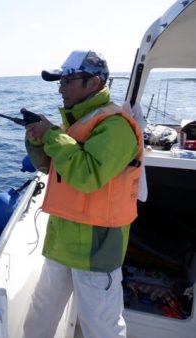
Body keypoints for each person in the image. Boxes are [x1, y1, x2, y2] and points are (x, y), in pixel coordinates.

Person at [22, 50, 143, 338]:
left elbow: (88, 175)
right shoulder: (75, 123)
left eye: (68, 81)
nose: (61, 88)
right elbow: (54, 169)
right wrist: (37, 142)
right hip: (61, 241)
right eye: (59, 82)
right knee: (40, 316)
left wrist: (51, 135)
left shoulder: (116, 126)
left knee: (102, 328)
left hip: (96, 249)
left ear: (95, 83)